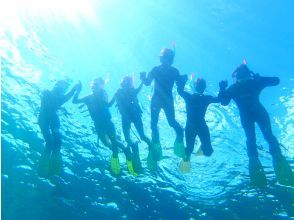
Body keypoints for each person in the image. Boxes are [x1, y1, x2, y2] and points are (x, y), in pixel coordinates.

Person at [219, 64, 293, 186]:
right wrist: (222, 89)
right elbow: (224, 102)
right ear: (236, 77)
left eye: (244, 74)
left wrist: (261, 78)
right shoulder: (241, 86)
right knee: (262, 137)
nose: (242, 77)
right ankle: (271, 159)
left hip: (251, 115)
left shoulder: (247, 84)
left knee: (260, 137)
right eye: (239, 75)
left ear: (249, 75)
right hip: (258, 113)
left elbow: (276, 81)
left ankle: (259, 160)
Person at [72, 78, 135, 176]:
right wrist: (78, 90)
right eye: (93, 84)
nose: (94, 86)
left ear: (101, 86)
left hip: (107, 123)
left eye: (96, 84)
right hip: (98, 125)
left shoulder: (103, 94)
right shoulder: (88, 97)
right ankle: (118, 150)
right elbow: (74, 101)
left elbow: (108, 105)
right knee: (106, 143)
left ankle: (125, 153)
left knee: (114, 142)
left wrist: (115, 96)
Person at [140, 48, 184, 166]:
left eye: (168, 58)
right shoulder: (167, 70)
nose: (166, 60)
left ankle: (178, 133)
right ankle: (157, 142)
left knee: (168, 122)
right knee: (156, 123)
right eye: (165, 57)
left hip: (162, 99)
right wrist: (143, 78)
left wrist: (143, 78)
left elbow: (147, 82)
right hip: (161, 99)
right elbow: (148, 83)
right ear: (162, 58)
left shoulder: (169, 71)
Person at [110, 76, 152, 173]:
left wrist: (142, 81)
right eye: (126, 82)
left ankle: (150, 145)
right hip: (125, 119)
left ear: (131, 84)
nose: (128, 84)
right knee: (128, 139)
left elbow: (138, 89)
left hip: (136, 116)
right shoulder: (118, 93)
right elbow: (110, 104)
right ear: (122, 83)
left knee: (142, 136)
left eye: (129, 82)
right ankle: (134, 146)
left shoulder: (133, 91)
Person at [177, 76, 219, 173]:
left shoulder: (205, 98)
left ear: (204, 88)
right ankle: (187, 155)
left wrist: (222, 88)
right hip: (191, 127)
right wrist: (182, 82)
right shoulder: (190, 97)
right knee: (189, 149)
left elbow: (219, 99)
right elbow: (180, 91)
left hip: (200, 126)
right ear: (195, 86)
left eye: (202, 85)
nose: (201, 87)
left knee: (208, 152)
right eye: (199, 85)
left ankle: (201, 146)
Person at [38, 80, 79, 177]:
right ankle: (48, 165)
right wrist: (74, 89)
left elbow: (64, 98)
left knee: (55, 142)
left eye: (63, 87)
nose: (61, 88)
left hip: (49, 118)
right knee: (50, 143)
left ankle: (51, 164)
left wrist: (74, 89)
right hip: (45, 118)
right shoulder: (48, 93)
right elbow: (63, 98)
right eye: (60, 85)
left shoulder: (53, 95)